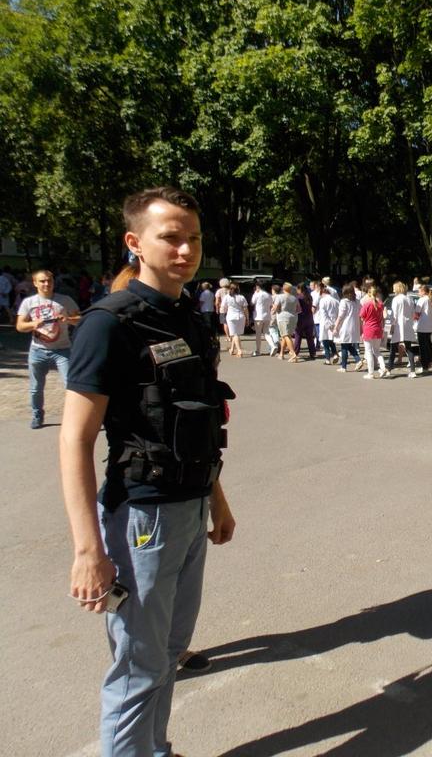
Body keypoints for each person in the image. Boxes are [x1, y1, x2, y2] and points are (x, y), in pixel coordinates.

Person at [59, 186, 236, 756]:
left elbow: (198, 422)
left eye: (194, 238)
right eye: (170, 237)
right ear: (135, 243)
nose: (185, 249)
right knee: (138, 666)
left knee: (166, 652)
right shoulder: (109, 324)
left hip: (189, 508)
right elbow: (75, 439)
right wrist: (89, 550)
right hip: (142, 515)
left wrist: (218, 499)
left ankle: (153, 751)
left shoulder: (189, 316)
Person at [16, 269, 82, 429]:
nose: (46, 284)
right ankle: (37, 415)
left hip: (63, 350)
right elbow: (19, 326)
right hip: (38, 351)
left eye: (49, 281)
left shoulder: (65, 300)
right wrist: (33, 324)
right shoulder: (28, 303)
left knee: (71, 385)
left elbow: (80, 319)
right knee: (35, 388)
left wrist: (68, 319)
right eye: (42, 281)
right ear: (35, 283)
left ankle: (74, 417)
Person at [382, 281, 417, 378]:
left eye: (394, 288)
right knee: (409, 347)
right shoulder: (409, 299)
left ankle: (389, 368)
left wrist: (392, 326)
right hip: (408, 325)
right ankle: (413, 370)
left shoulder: (396, 299)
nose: (393, 289)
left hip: (398, 325)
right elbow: (412, 313)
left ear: (397, 288)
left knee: (393, 347)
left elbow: (394, 315)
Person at [335, 284, 362, 371]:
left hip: (345, 326)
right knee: (349, 345)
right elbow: (361, 314)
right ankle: (358, 360)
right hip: (355, 325)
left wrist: (336, 326)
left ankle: (344, 367)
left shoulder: (344, 301)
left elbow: (341, 316)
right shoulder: (357, 301)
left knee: (344, 346)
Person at [359, 286, 385, 379]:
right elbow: (382, 318)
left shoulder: (367, 304)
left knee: (369, 351)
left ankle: (370, 373)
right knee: (377, 351)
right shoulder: (380, 304)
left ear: (369, 294)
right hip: (378, 329)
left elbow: (362, 317)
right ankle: (383, 367)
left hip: (368, 329)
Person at [272, 282, 300, 362]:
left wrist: (274, 308)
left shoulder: (280, 297)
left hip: (283, 317)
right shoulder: (294, 298)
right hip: (293, 317)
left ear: (283, 289)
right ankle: (281, 354)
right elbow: (298, 309)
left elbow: (276, 308)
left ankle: (293, 353)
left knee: (285, 335)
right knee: (286, 335)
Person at [414, 283, 432, 373]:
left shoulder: (422, 300)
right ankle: (430, 361)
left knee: (423, 347)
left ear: (423, 292)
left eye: (419, 291)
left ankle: (425, 366)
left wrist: (412, 321)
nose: (418, 293)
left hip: (423, 326)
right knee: (428, 344)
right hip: (430, 325)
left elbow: (417, 314)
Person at [221, 282, 248, 357]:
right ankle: (232, 349)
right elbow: (246, 309)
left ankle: (239, 350)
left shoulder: (227, 297)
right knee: (236, 334)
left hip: (231, 316)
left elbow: (223, 307)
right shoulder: (242, 297)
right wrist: (248, 318)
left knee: (234, 334)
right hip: (241, 316)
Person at [317, 285, 340, 365]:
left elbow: (323, 313)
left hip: (325, 323)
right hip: (334, 322)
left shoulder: (323, 300)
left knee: (325, 341)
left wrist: (328, 324)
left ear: (323, 293)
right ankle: (335, 354)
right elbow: (338, 313)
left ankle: (327, 359)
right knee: (331, 340)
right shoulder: (336, 301)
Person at [293, 284, 317, 360]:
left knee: (298, 336)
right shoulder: (309, 297)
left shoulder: (298, 298)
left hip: (300, 318)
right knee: (310, 337)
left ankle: (295, 352)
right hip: (309, 318)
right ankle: (312, 353)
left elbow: (297, 309)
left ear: (300, 289)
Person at [249, 281, 273, 356]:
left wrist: (255, 294)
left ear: (258, 287)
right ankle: (273, 345)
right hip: (267, 316)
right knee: (266, 332)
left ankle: (258, 350)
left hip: (258, 316)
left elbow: (252, 303)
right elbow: (271, 304)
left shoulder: (257, 294)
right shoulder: (269, 295)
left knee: (258, 334)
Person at [214, 277, 230, 351]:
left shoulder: (219, 291)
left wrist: (217, 308)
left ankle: (228, 336)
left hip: (223, 309)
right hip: (230, 308)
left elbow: (217, 301)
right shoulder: (230, 290)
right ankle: (231, 335)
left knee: (225, 323)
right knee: (230, 322)